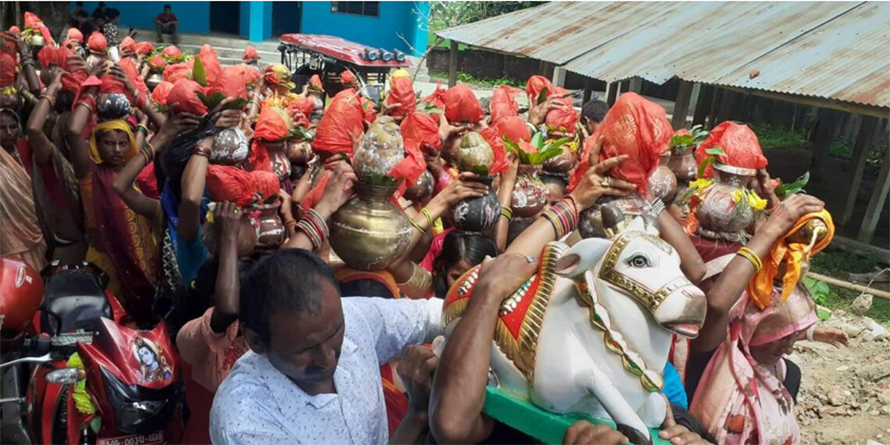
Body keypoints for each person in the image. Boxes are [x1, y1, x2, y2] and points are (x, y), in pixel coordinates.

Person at [210, 249, 444, 444]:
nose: (329, 359)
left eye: (336, 332)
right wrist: (417, 416)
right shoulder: (246, 422)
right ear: (256, 342)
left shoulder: (350, 317)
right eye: (304, 350)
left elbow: (430, 316)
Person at [687, 196, 832, 444]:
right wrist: (773, 227)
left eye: (793, 336)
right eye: (779, 336)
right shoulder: (714, 359)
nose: (788, 348)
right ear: (750, 325)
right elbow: (718, 304)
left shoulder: (789, 375)